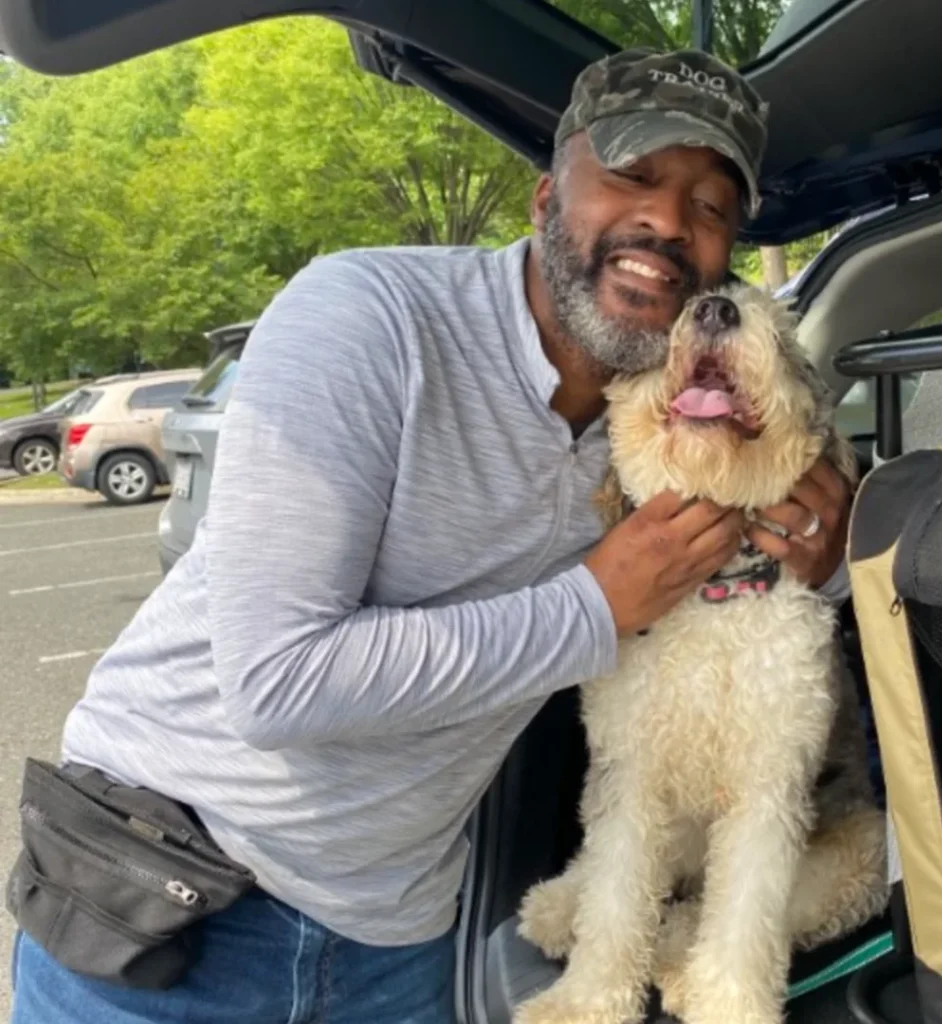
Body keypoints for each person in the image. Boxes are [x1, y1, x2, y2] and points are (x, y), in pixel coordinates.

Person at [8, 46, 853, 1024]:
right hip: (164, 907)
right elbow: (277, 681)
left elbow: (761, 554)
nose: (666, 221)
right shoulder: (368, 318)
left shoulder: (660, 417)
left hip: (401, 936)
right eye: (631, 174)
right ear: (545, 196)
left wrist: (827, 555)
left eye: (710, 207)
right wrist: (594, 604)